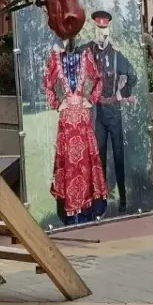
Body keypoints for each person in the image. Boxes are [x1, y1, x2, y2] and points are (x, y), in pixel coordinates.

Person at [44, 38, 108, 224]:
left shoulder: (85, 56)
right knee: (69, 163)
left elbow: (98, 79)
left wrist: (91, 99)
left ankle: (88, 209)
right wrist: (57, 104)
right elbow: (47, 83)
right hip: (66, 121)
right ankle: (70, 211)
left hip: (82, 118)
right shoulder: (55, 59)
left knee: (85, 161)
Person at [85, 11, 138, 208]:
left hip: (114, 111)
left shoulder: (117, 56)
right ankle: (100, 197)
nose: (102, 36)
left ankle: (122, 197)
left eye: (105, 32)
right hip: (97, 111)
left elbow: (133, 76)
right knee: (98, 155)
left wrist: (121, 94)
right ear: (94, 30)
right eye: (99, 31)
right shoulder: (87, 53)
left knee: (118, 154)